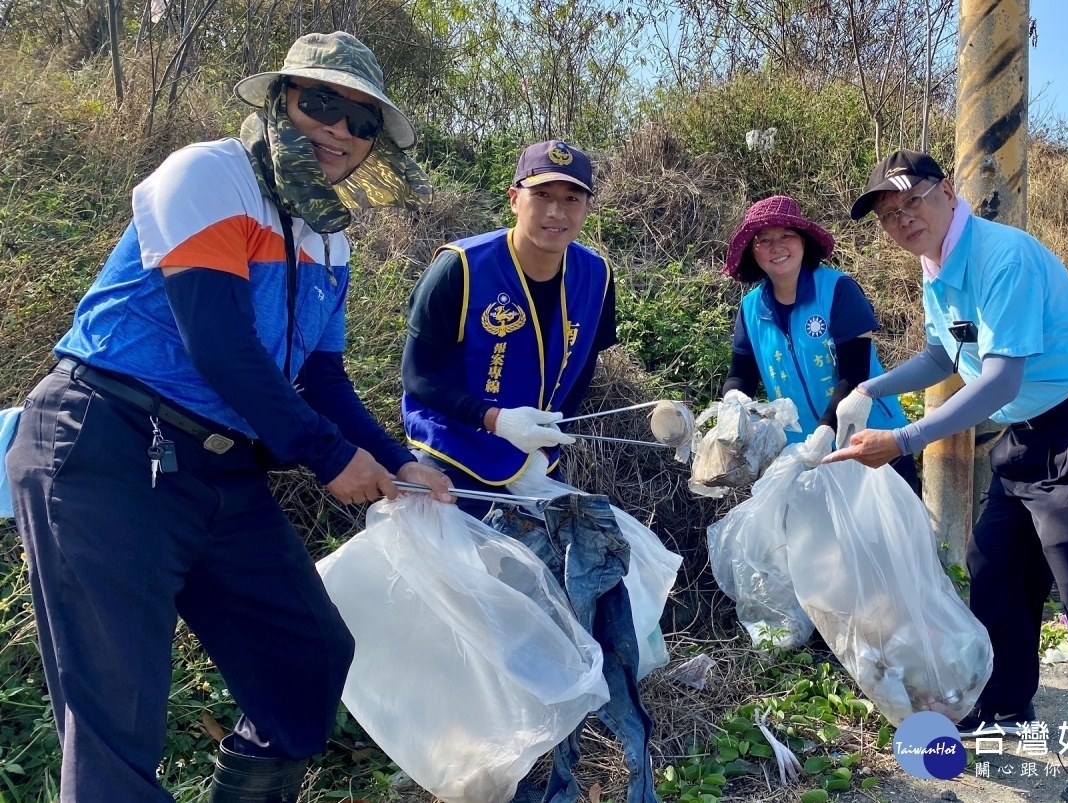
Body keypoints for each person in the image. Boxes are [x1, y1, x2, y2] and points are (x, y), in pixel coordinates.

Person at [5, 31, 452, 803]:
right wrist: (328, 456)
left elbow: (321, 377)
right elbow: (219, 344)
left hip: (218, 469)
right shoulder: (207, 175)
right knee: (119, 721)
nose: (339, 130)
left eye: (362, 121)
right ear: (281, 101)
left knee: (307, 659)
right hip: (109, 447)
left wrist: (397, 458)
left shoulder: (328, 239)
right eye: (320, 102)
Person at [826, 150, 1068, 803]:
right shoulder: (936, 268)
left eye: (911, 201)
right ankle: (1003, 704)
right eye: (889, 215)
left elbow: (1000, 375)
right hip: (1029, 429)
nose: (902, 219)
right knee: (995, 559)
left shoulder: (1005, 257)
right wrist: (870, 386)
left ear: (945, 191)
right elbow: (940, 353)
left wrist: (905, 438)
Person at [401, 140, 617, 517]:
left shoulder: (596, 275)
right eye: (542, 194)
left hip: (533, 456)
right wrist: (496, 421)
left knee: (583, 568)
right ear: (514, 198)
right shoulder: (463, 267)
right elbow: (418, 376)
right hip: (454, 452)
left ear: (587, 207)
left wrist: (549, 439)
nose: (556, 211)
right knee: (455, 572)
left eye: (572, 198)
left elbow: (584, 364)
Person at [720, 195, 920, 492]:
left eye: (787, 235)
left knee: (892, 535)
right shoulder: (751, 309)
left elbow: (854, 373)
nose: (777, 247)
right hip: (806, 452)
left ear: (803, 241)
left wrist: (827, 428)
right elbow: (742, 373)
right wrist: (733, 400)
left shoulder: (838, 290)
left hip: (871, 439)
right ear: (753, 252)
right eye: (763, 240)